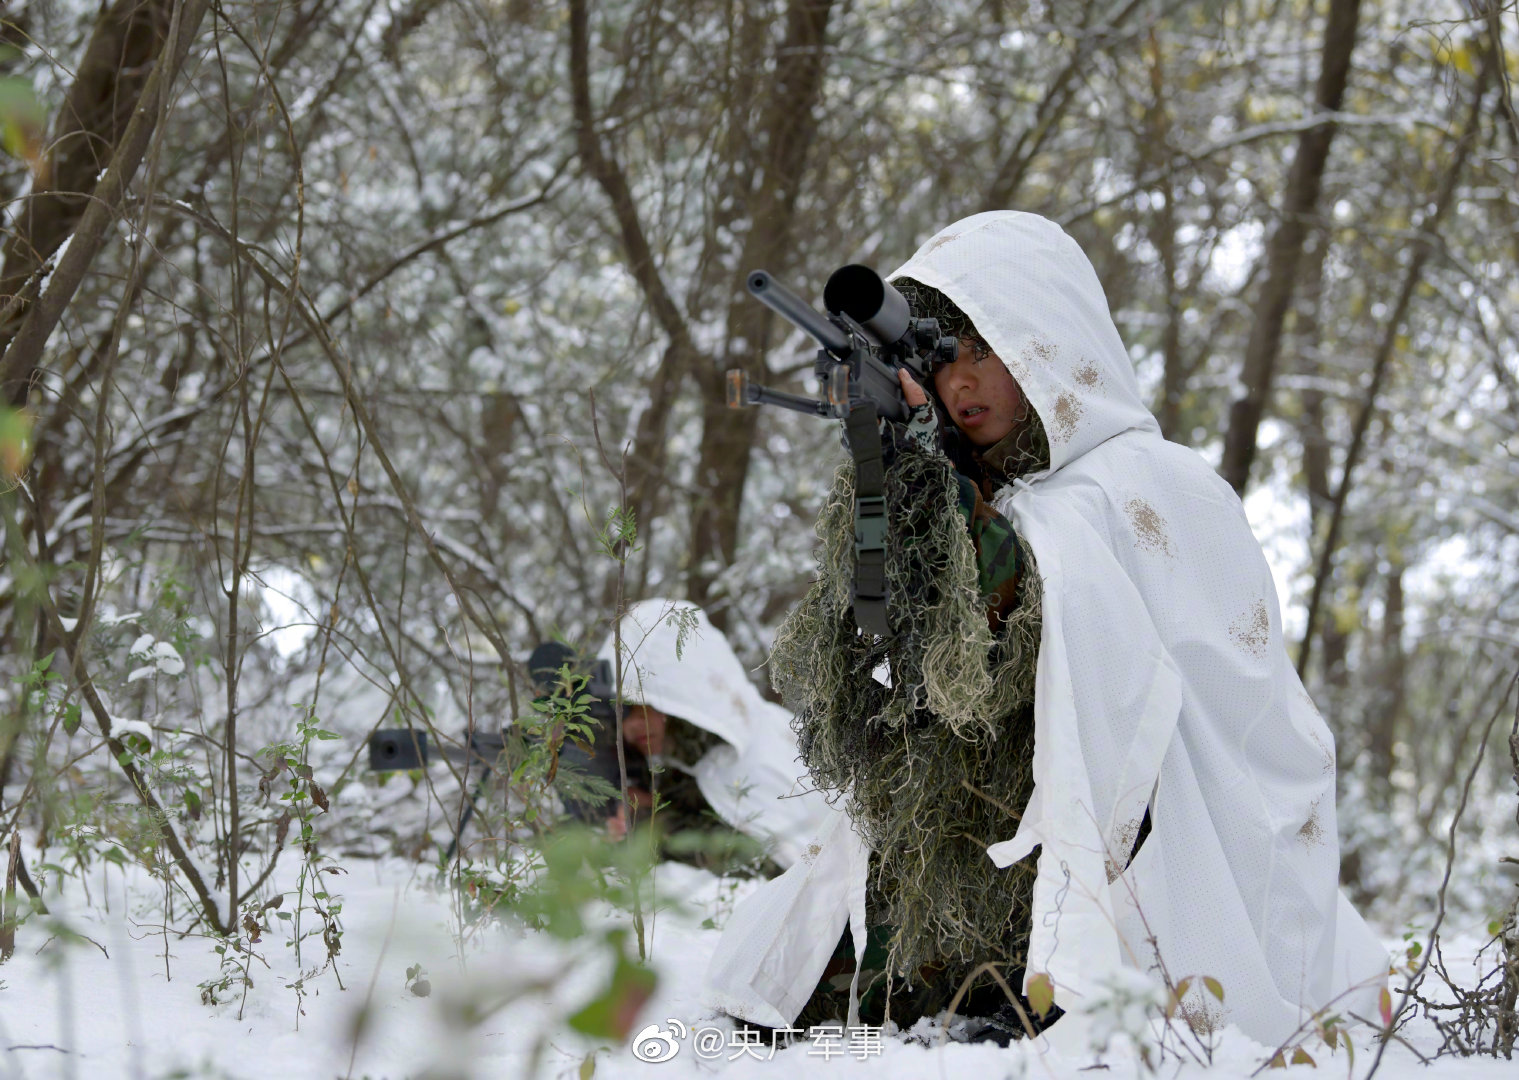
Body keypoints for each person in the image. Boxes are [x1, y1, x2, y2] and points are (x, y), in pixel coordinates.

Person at [706, 211, 1387, 1046]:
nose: (960, 383)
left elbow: (1031, 622)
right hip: (978, 855)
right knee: (795, 985)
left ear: (1050, 344)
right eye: (941, 358)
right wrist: (899, 473)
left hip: (1155, 864)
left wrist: (933, 479)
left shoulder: (1152, 484)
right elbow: (897, 657)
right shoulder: (985, 488)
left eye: (985, 350)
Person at [564, 598, 834, 872]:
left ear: (685, 697)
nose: (632, 726)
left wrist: (651, 820)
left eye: (646, 707)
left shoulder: (752, 759)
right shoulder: (684, 760)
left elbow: (769, 870)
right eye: (622, 712)